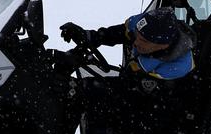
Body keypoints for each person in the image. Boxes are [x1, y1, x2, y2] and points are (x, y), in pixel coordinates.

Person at [60, 7, 194, 80]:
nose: (135, 43)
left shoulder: (174, 69)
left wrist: (81, 87)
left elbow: (128, 93)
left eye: (144, 41)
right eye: (137, 36)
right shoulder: (143, 27)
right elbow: (123, 32)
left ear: (164, 45)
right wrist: (90, 36)